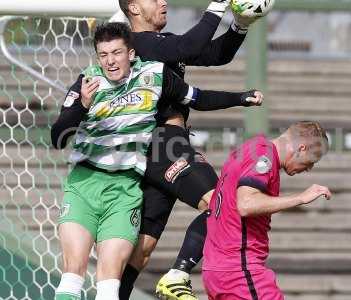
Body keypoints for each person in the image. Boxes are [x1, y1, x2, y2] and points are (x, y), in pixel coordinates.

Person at [50, 22, 262, 300]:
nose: (110, 61)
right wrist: (82, 107)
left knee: (110, 280)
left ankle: (176, 276)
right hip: (84, 184)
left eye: (116, 53)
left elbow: (196, 97)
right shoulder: (87, 82)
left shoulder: (156, 76)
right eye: (103, 55)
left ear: (132, 53)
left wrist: (241, 98)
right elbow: (57, 137)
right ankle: (178, 274)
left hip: (124, 190)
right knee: (72, 274)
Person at [113, 1, 261, 299]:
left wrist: (240, 25)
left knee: (140, 251)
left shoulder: (162, 45)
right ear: (134, 8)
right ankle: (178, 274)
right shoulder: (138, 44)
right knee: (223, 202)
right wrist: (218, 6)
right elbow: (191, 44)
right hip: (162, 143)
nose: (163, 2)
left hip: (159, 147)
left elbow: (214, 54)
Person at [202, 121, 332, 300]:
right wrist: (301, 198)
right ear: (301, 148)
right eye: (311, 161)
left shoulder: (251, 147)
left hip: (218, 269)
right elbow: (246, 204)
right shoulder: (264, 155)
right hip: (239, 271)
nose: (309, 168)